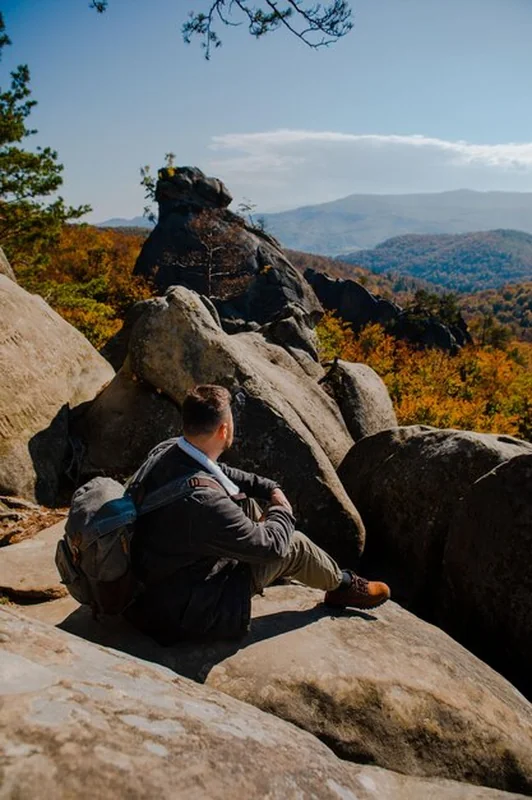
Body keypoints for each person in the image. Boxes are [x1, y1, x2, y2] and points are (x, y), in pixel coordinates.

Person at [126, 384, 390, 645]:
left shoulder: (171, 451)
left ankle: (297, 574)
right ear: (224, 429)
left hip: (156, 579)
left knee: (247, 505)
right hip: (186, 613)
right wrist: (282, 511)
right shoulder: (204, 502)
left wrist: (269, 488)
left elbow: (221, 473)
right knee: (292, 545)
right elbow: (272, 547)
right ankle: (343, 586)